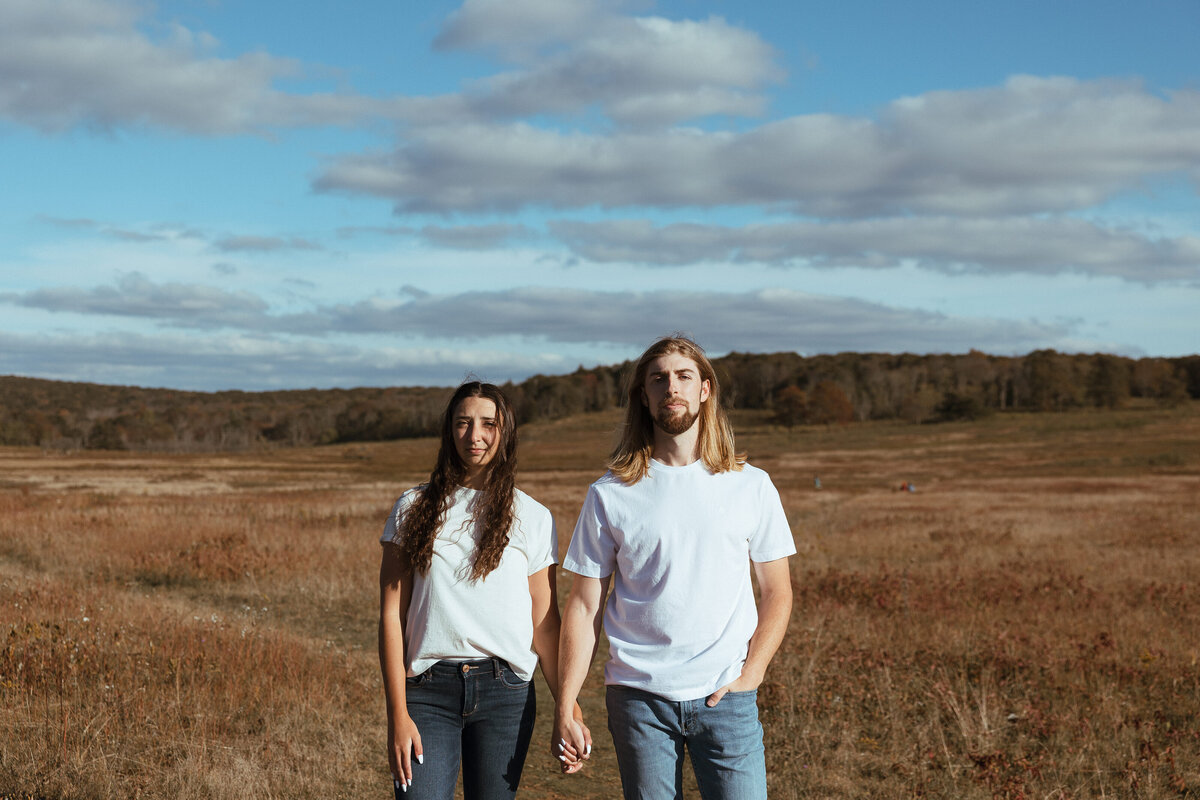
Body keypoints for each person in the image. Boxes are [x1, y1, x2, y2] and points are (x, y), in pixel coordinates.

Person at [554, 336, 796, 799]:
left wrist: (753, 675)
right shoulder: (610, 493)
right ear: (643, 397)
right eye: (658, 379)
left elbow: (777, 592)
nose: (672, 387)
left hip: (727, 697)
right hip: (638, 698)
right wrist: (566, 704)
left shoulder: (752, 486)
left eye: (684, 376)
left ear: (705, 390)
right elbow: (584, 607)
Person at [378, 381, 588, 800]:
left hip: (505, 693)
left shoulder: (533, 515)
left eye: (488, 424)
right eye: (463, 423)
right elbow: (391, 616)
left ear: (505, 431)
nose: (474, 436)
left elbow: (545, 625)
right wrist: (396, 716)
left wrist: (570, 707)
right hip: (427, 691)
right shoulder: (412, 507)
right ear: (449, 431)